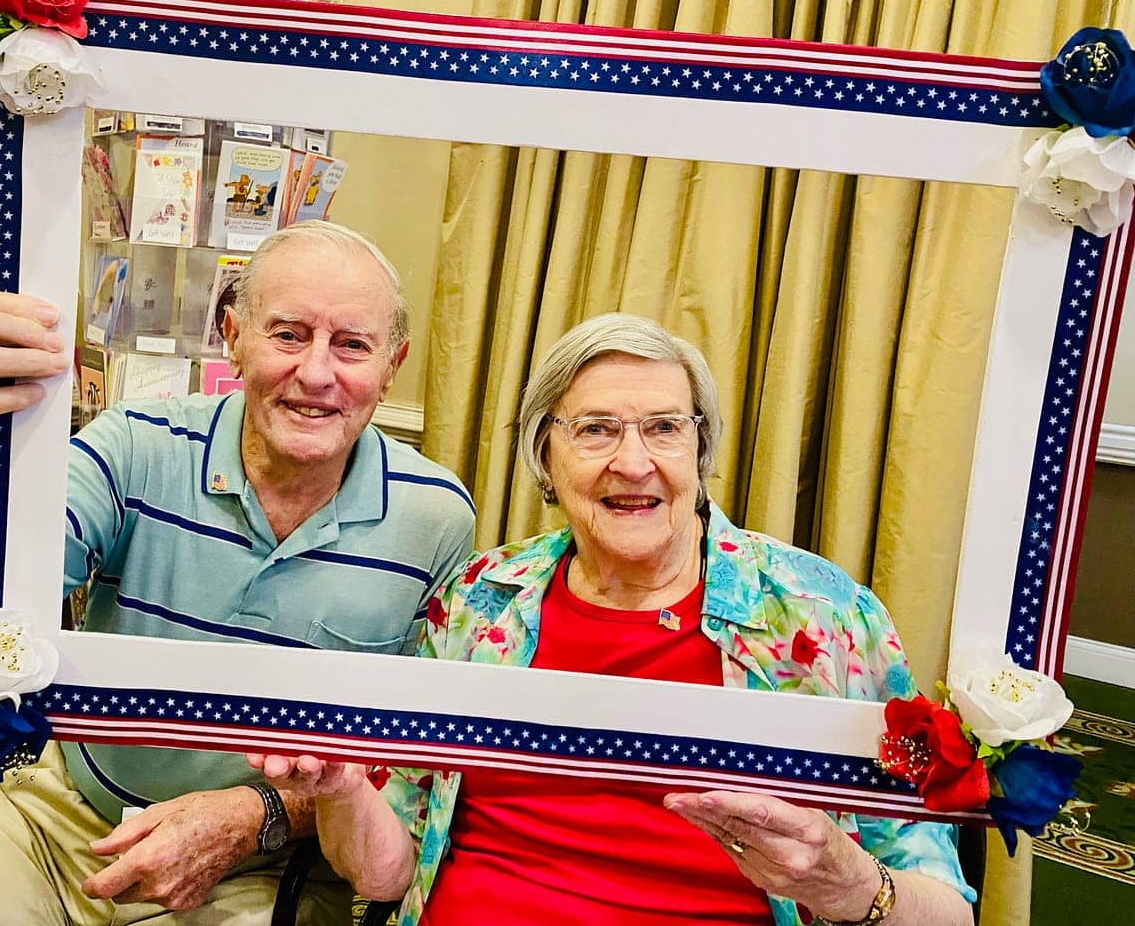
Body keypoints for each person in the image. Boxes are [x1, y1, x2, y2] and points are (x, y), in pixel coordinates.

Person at [0, 221, 477, 925]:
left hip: (264, 865)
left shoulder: (436, 520)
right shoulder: (136, 445)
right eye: (288, 334)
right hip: (62, 820)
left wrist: (249, 816)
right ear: (232, 334)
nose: (318, 373)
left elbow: (404, 760)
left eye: (352, 344)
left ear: (394, 364)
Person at [250, 313, 978, 926]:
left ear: (699, 449)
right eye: (595, 430)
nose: (633, 463)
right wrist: (342, 789)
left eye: (664, 428)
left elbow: (946, 909)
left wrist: (847, 885)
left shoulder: (823, 617)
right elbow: (384, 875)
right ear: (546, 455)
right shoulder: (479, 600)